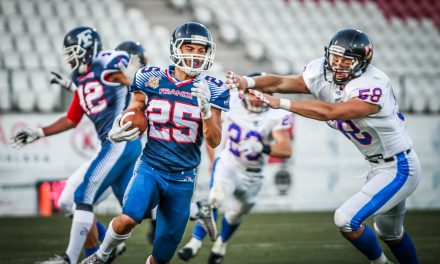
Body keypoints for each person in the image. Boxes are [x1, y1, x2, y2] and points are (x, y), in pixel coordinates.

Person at [226, 28, 421, 264]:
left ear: (362, 63)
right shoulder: (321, 71)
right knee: (390, 233)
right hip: (378, 166)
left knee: (346, 219)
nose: (338, 65)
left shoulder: (373, 84)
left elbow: (332, 111)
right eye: (335, 58)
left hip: (399, 166)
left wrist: (281, 103)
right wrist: (247, 81)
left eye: (346, 61)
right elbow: (280, 81)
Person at [80, 22, 230, 264]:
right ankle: (101, 255)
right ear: (176, 48)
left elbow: (214, 139)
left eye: (201, 50)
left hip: (183, 177)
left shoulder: (213, 88)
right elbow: (136, 108)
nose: (196, 55)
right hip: (151, 167)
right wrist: (121, 126)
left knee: (161, 258)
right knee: (128, 217)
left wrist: (204, 110)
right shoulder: (151, 78)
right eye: (190, 48)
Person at [10, 27, 143, 264]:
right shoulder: (79, 78)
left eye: (73, 51)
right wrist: (39, 132)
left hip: (121, 142)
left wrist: (132, 77)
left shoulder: (106, 64)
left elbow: (126, 73)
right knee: (72, 202)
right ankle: (102, 249)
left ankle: (70, 258)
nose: (70, 57)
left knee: (84, 196)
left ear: (87, 49)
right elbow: (72, 118)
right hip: (111, 145)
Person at [178, 73, 293, 264]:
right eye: (253, 93)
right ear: (244, 93)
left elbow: (285, 149)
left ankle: (221, 243)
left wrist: (262, 147)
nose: (257, 99)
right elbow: (211, 133)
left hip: (254, 175)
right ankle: (195, 242)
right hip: (229, 163)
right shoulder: (232, 102)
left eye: (261, 93)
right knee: (215, 198)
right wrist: (214, 160)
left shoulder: (277, 114)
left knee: (234, 215)